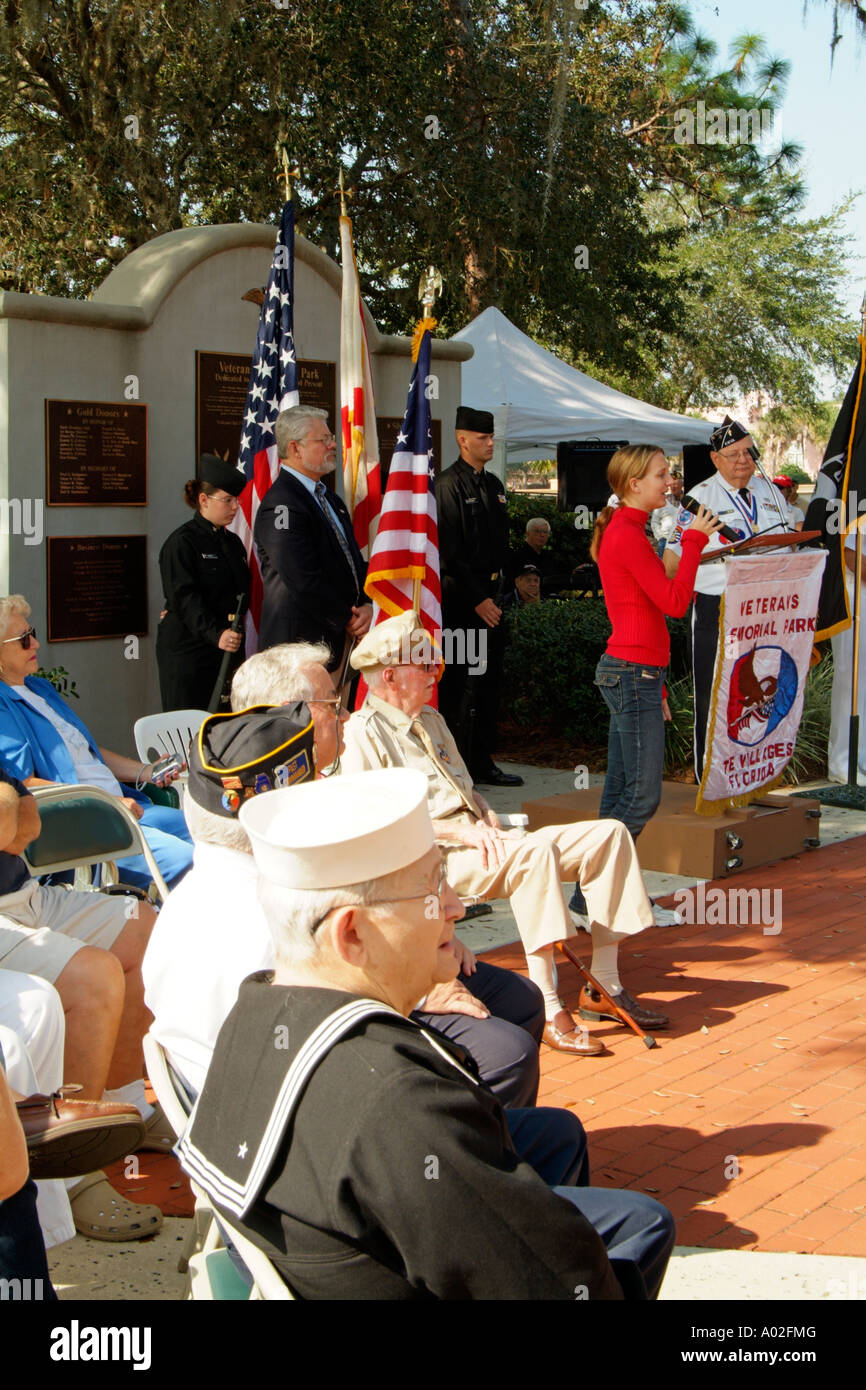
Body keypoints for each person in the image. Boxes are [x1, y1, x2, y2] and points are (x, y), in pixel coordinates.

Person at [178, 769, 676, 1300]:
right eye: (432, 889)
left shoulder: (251, 1011)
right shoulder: (402, 1101)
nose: (456, 907)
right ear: (353, 933)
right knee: (644, 1221)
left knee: (557, 1138)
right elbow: (556, 1281)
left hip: (330, 1248)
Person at [145, 652, 545, 1109]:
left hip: (339, 1011)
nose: (345, 715)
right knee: (506, 1054)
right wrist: (421, 973)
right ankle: (456, 1159)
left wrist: (435, 938)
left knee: (521, 1000)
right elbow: (340, 978)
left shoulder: (197, 889)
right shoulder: (273, 892)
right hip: (313, 1075)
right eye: (331, 705)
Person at [342, 610, 671, 1046]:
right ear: (389, 677)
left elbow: (464, 787)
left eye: (433, 663)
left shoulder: (432, 721)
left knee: (608, 834)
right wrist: (463, 834)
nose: (434, 673)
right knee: (535, 855)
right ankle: (551, 1009)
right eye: (423, 665)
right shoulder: (363, 734)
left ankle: (603, 987)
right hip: (436, 860)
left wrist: (485, 812)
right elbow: (377, 822)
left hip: (483, 842)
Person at [0, 772, 169, 1239]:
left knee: (140, 926)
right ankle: (75, 1173)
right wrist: (12, 811)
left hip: (25, 895)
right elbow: (7, 823)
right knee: (92, 976)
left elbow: (26, 827)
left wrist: (13, 812)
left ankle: (128, 1103)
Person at [0, 595, 193, 892]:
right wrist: (103, 804)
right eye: (24, 639)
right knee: (189, 860)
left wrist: (146, 770)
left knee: (212, 836)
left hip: (126, 807)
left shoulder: (40, 688)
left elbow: (85, 752)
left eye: (33, 634)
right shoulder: (2, 707)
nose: (35, 644)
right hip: (85, 825)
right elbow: (23, 783)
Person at [664, 418, 791, 777]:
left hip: (765, 605)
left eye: (749, 452)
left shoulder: (771, 494)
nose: (743, 460)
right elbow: (671, 564)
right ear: (715, 459)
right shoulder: (701, 498)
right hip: (718, 605)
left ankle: (752, 772)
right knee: (715, 692)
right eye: (733, 454)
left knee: (760, 696)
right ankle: (711, 775)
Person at [436, 406, 522, 787]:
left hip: (492, 599)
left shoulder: (494, 487)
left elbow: (501, 546)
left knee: (489, 685)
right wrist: (477, 599)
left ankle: (483, 761)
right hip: (462, 603)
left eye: (491, 438)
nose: (490, 444)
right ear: (462, 439)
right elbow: (449, 554)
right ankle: (456, 764)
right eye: (483, 438)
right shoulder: (447, 486)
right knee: (459, 686)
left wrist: (501, 592)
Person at [254, 405, 371, 669]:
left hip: (338, 643)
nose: (333, 445)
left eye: (331, 438)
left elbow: (349, 562)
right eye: (324, 439)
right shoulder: (281, 505)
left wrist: (366, 602)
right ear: (295, 448)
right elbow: (301, 577)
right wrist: (347, 618)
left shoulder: (331, 499)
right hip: (301, 650)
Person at [156, 453, 251, 711]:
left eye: (236, 500)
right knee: (190, 724)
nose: (235, 507)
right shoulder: (182, 543)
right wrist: (215, 633)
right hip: (192, 651)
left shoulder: (232, 543)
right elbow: (184, 597)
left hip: (227, 646)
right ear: (203, 500)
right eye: (227, 500)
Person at [650, 470, 684, 555]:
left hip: (682, 541)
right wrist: (660, 537)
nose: (673, 487)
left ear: (682, 485)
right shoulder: (663, 501)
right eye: (672, 485)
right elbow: (655, 521)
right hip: (665, 541)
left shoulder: (686, 501)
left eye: (676, 484)